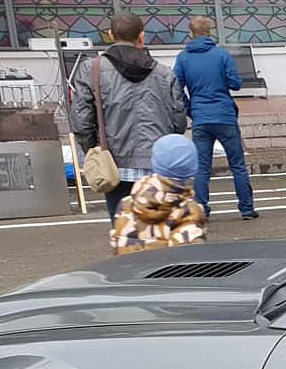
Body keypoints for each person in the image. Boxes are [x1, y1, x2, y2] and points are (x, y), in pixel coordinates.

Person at [69, 13, 186, 218]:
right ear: (142, 36)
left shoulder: (91, 69)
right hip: (157, 162)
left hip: (114, 164)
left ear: (110, 35)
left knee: (124, 228)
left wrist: (94, 148)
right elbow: (179, 120)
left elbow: (81, 121)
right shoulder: (164, 73)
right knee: (157, 228)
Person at [170, 15, 256, 221]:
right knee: (237, 165)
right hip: (225, 115)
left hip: (200, 117)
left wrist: (190, 108)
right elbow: (235, 84)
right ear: (209, 33)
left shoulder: (183, 58)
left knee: (202, 166)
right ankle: (246, 208)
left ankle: (202, 209)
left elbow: (175, 88)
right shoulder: (221, 55)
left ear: (190, 33)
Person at [109, 134, 207, 252]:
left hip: (130, 263)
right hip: (168, 263)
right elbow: (191, 256)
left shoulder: (126, 203)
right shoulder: (190, 210)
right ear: (193, 168)